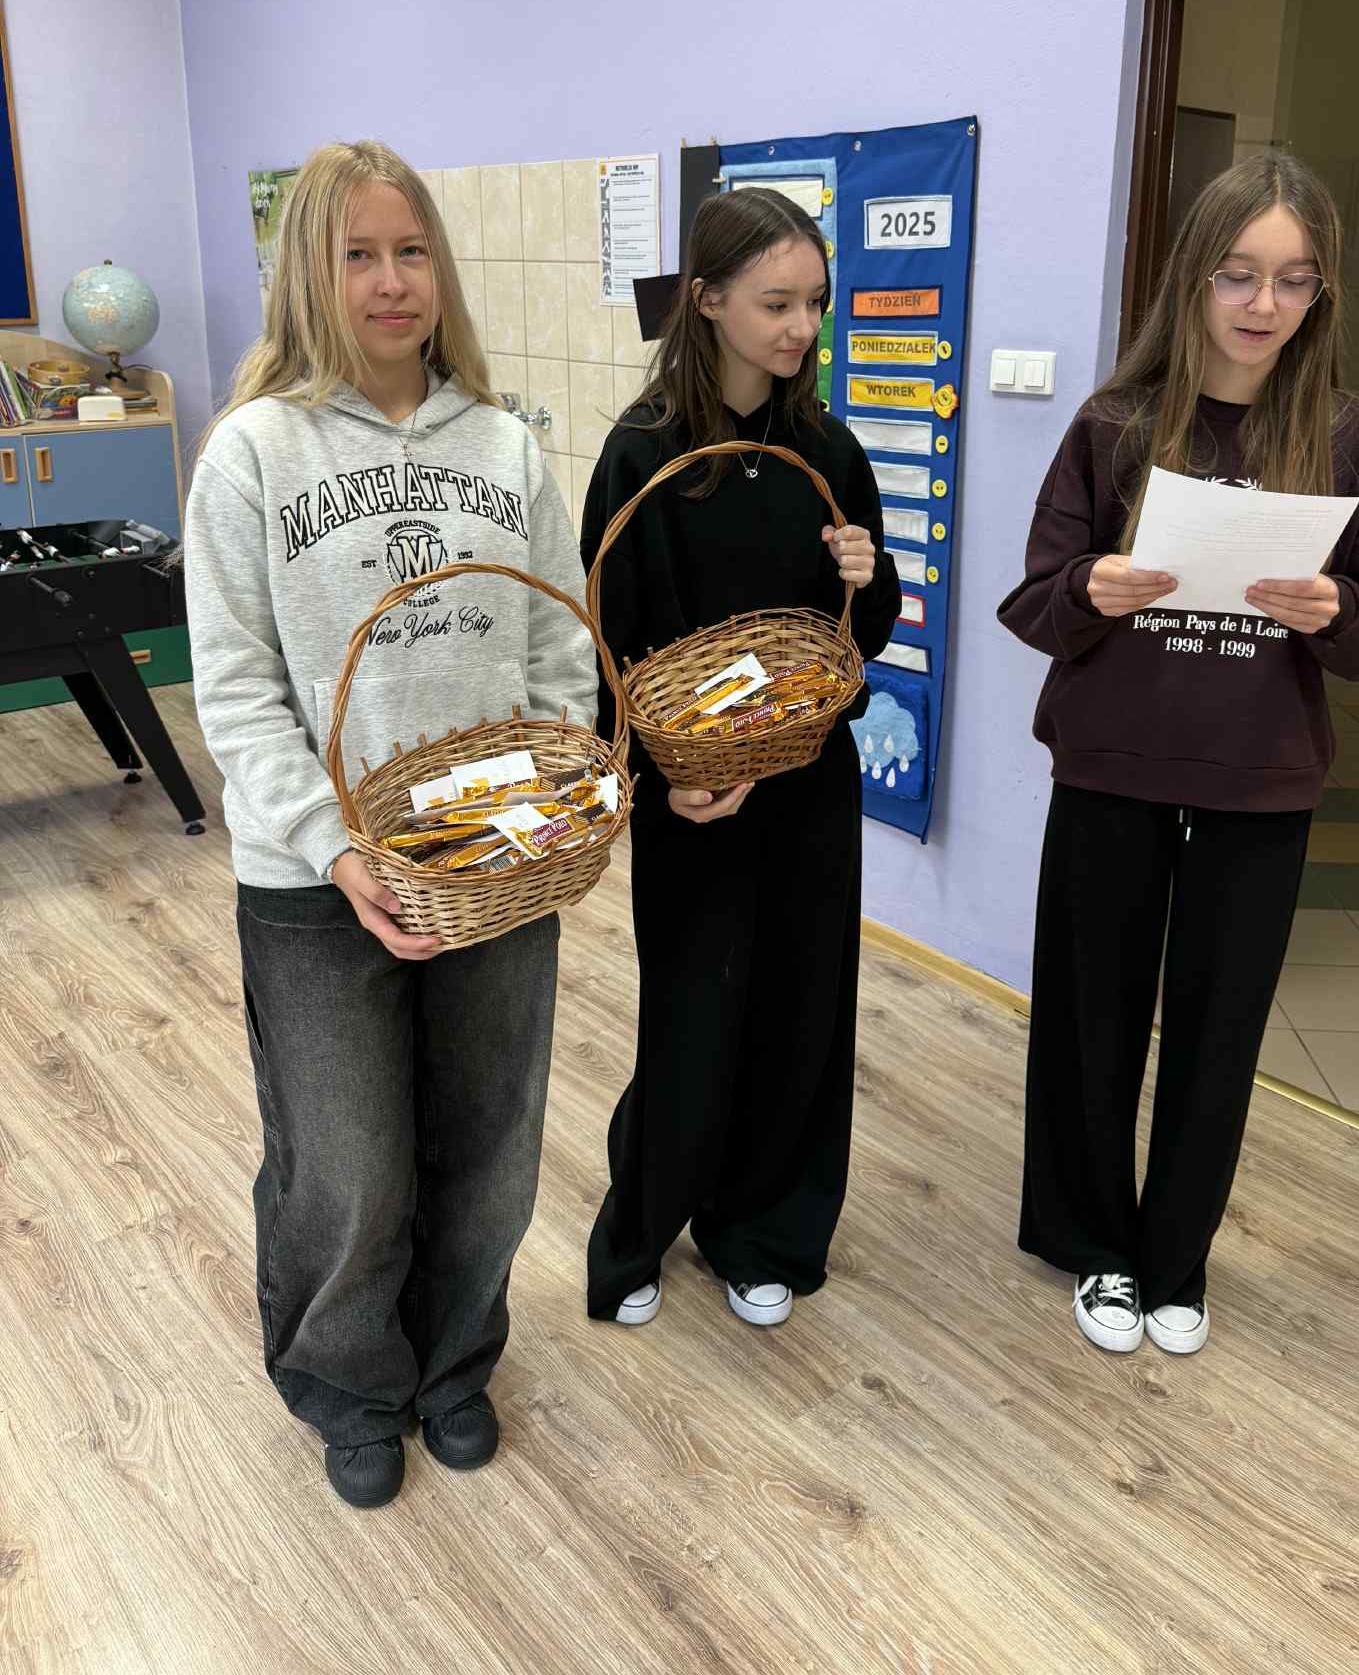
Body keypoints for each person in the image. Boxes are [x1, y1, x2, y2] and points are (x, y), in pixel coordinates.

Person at [183, 141, 596, 1507]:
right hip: (315, 880)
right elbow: (236, 690)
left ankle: (455, 1360)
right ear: (309, 274)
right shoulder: (252, 454)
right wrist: (336, 844)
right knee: (347, 1157)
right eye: (356, 254)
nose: (390, 280)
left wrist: (551, 800)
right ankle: (350, 1379)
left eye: (411, 250)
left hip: (491, 863)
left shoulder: (506, 443)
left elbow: (559, 651)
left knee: (489, 1140)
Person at [997, 153, 1359, 1358]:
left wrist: (1337, 610)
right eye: (1237, 273)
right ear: (1191, 277)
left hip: (1259, 782)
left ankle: (1174, 1256)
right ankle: (1095, 1243)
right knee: (1091, 1021)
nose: (1261, 303)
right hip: (1112, 770)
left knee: (1219, 1031)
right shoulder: (1114, 425)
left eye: (1292, 279)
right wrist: (1093, 586)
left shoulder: (1348, 436)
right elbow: (1033, 602)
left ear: (1322, 292)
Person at [582, 186, 902, 1329]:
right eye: (776, 302)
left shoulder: (829, 449)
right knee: (694, 1011)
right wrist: (656, 778)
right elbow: (607, 639)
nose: (801, 327)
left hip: (807, 780)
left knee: (802, 1009)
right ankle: (640, 1228)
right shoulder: (643, 452)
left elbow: (860, 639)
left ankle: (765, 1228)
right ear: (707, 299)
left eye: (815, 302)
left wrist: (869, 576)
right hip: (696, 792)